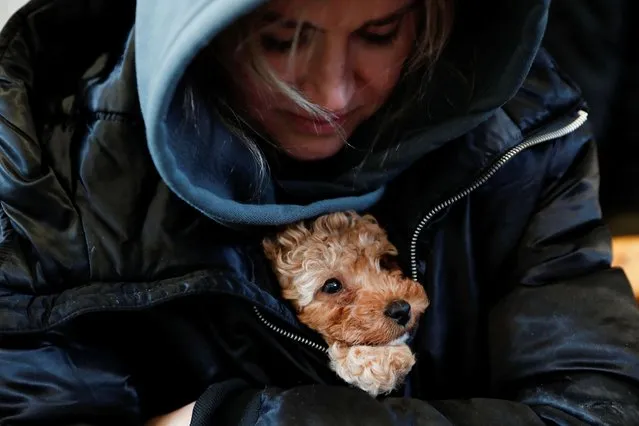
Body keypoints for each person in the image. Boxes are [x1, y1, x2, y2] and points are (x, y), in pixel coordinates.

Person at [0, 0, 638, 425]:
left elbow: (598, 405)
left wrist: (230, 420)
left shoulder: (524, 139)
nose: (330, 92)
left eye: (379, 33)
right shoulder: (40, 165)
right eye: (282, 40)